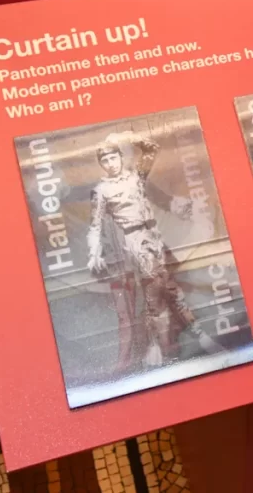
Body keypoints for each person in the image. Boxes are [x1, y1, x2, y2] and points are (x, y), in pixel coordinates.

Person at [86, 131, 220, 368]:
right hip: (136, 242)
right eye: (105, 160)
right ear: (101, 164)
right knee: (159, 292)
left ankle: (160, 346)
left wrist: (129, 135)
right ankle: (176, 341)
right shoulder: (101, 191)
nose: (110, 163)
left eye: (113, 157)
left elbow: (152, 149)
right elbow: (95, 225)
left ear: (119, 156)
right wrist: (94, 253)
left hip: (154, 237)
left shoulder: (136, 177)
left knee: (167, 291)